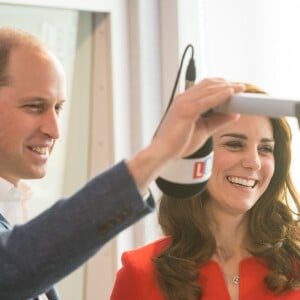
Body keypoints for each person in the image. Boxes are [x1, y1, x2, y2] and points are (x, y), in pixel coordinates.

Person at [0, 26, 245, 300]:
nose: (55, 130)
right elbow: (12, 267)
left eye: (58, 108)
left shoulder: (12, 210)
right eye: (34, 106)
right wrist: (159, 152)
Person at [110, 83, 300, 300]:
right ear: (196, 156)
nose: (254, 162)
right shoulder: (141, 272)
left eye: (265, 149)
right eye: (235, 144)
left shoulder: (296, 263)